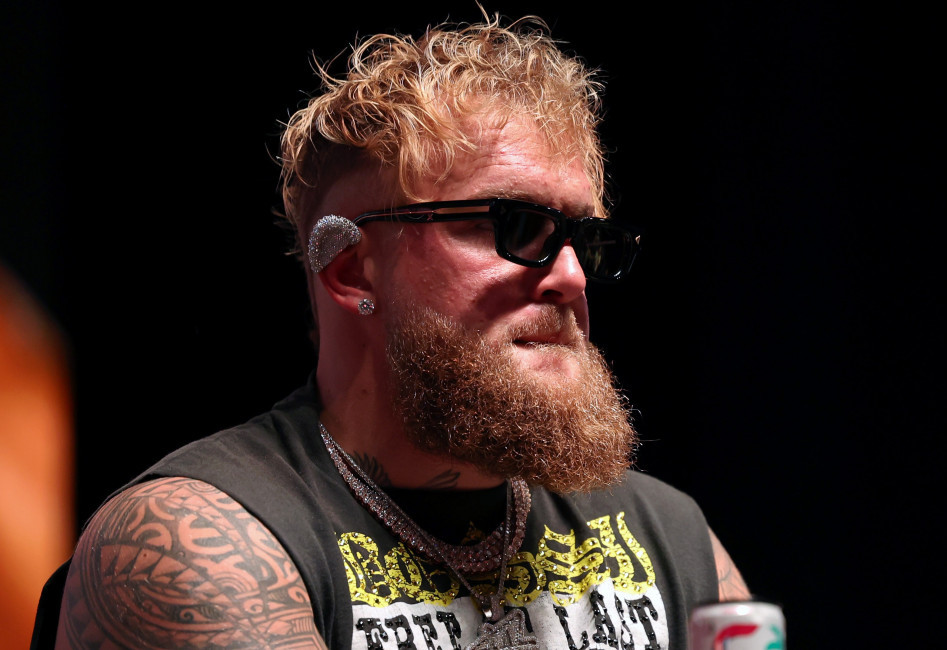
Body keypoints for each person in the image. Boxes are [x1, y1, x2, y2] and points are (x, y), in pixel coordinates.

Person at [42, 13, 749, 649]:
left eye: (582, 240)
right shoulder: (197, 539)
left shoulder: (670, 536)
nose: (571, 276)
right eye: (516, 226)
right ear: (352, 270)